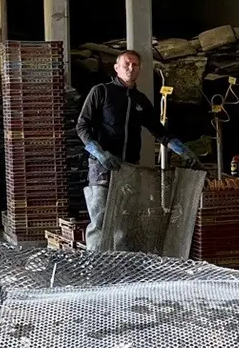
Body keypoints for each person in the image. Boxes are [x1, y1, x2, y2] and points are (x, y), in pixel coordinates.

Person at [75, 49, 194, 228]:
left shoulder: (141, 100)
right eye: (126, 64)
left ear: (139, 69)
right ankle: (97, 257)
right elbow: (82, 126)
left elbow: (159, 131)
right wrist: (100, 153)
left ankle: (122, 257)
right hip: (102, 170)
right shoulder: (101, 92)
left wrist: (182, 150)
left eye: (135, 65)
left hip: (128, 169)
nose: (131, 68)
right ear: (116, 68)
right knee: (100, 224)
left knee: (124, 224)